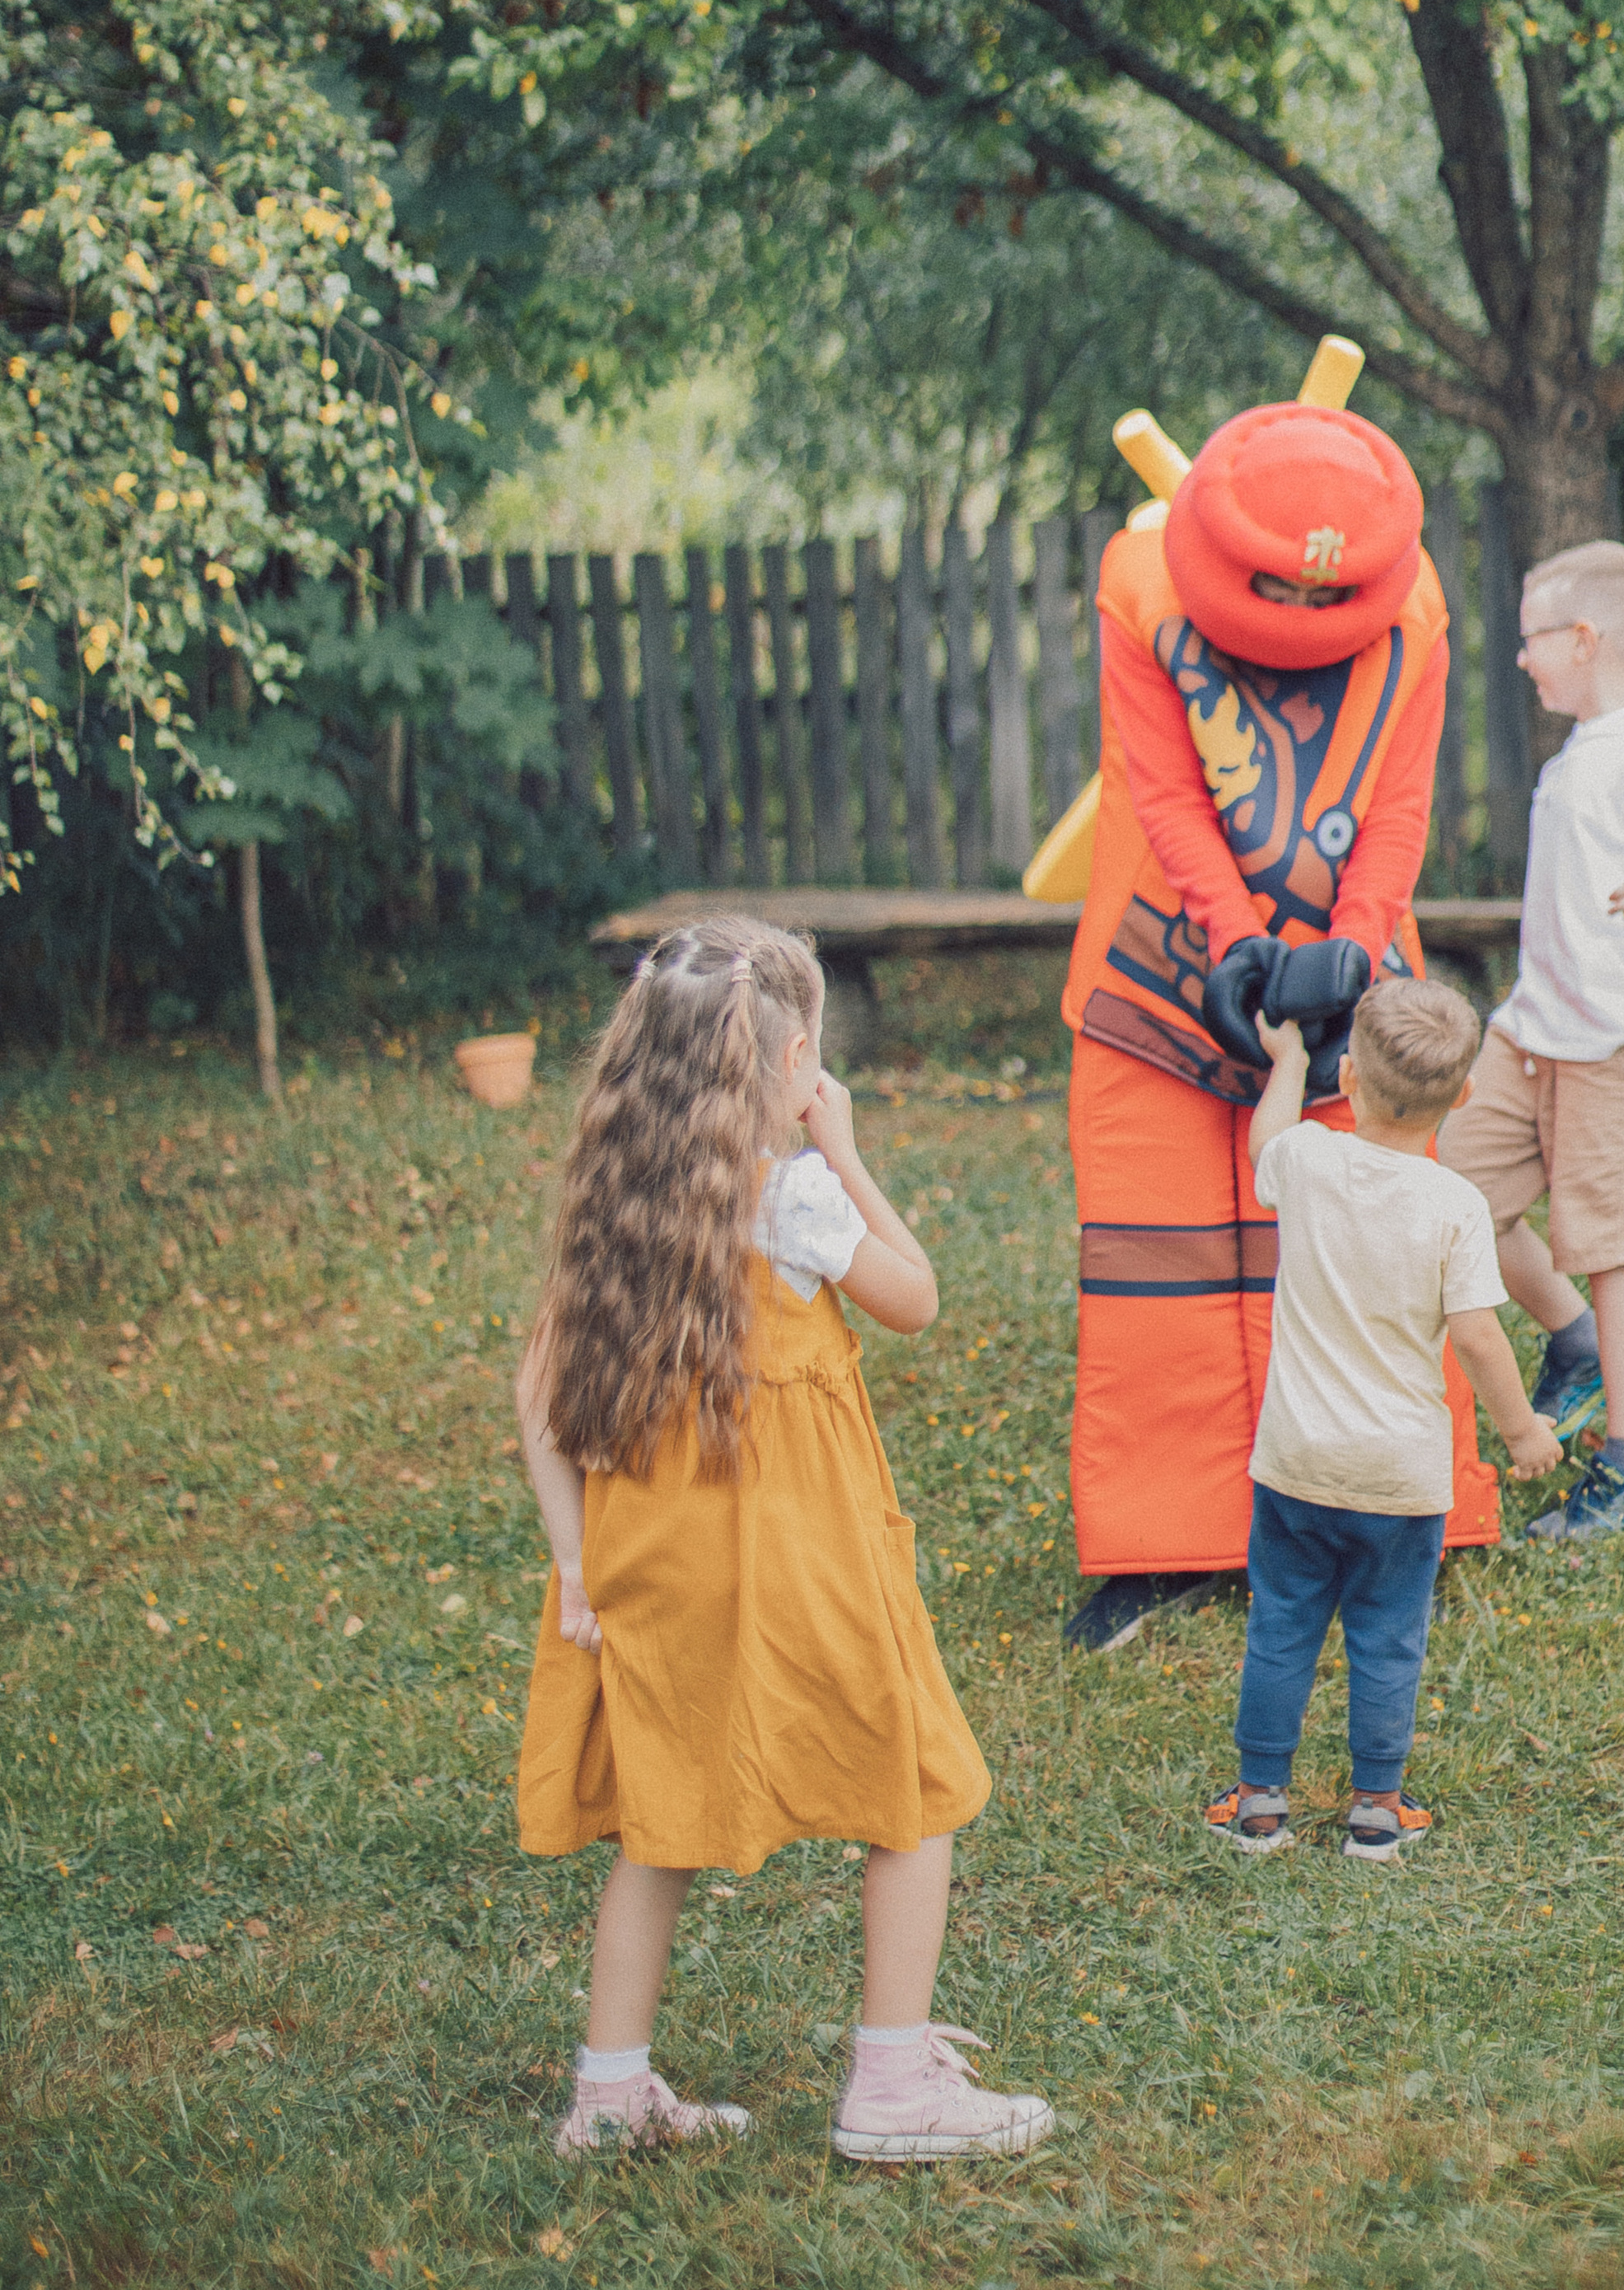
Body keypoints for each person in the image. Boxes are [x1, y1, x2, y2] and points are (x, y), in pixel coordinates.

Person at [512, 918, 1055, 2164]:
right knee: (914, 1785)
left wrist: (575, 1563)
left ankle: (606, 2095)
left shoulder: (621, 1203)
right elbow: (916, 1296)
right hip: (797, 1556)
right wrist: (847, 1147)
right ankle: (893, 2086)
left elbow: (536, 1396)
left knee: (661, 1821)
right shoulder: (796, 1195)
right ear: (798, 1053)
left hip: (654, 1564)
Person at [1060, 394, 1499, 1655]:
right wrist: (1232, 935)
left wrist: (1353, 945)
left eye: (1329, 599)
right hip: (1160, 978)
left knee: (1381, 1247)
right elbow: (1160, 785)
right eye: (1281, 598)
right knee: (1160, 1264)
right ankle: (1165, 1546)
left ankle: (1410, 1510)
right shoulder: (1141, 583)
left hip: (1359, 985)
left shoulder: (1414, 607)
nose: (1306, 621)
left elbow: (1403, 801)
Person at [1205, 978, 1562, 1859]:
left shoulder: (1310, 1162)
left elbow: (1266, 1141)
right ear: (1464, 1096)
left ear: (1348, 1078)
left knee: (1282, 1623)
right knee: (1387, 1639)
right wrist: (1522, 1430)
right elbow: (1478, 1338)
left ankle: (1258, 1801)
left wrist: (1286, 1060)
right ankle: (1375, 1809)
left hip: (1294, 1463)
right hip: (1401, 1480)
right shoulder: (1454, 1208)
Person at [1439, 540, 1624, 1544]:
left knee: (1612, 1252)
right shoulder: (1579, 750)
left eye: (1531, 641)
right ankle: (1572, 1341)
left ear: (1583, 638)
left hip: (1616, 1041)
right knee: (1451, 1200)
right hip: (1531, 1032)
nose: (1520, 660)